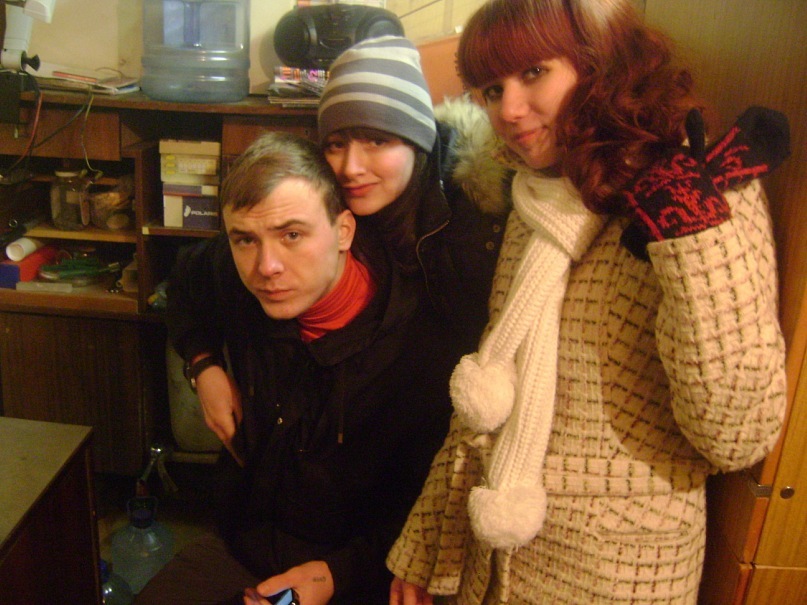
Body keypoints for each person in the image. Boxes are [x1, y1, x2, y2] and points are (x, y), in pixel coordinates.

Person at [386, 1, 791, 603]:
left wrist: (689, 228)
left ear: (601, 62)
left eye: (533, 73)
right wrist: (424, 547)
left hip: (619, 576)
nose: (509, 110)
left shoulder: (706, 185)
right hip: (492, 565)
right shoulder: (535, 194)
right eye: (492, 89)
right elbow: (493, 397)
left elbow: (736, 436)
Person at [140, 131, 457, 604]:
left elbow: (430, 507)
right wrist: (204, 367)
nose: (267, 267)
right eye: (245, 240)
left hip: (357, 573)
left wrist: (337, 575)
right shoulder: (234, 271)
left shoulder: (417, 347)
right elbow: (185, 284)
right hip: (242, 540)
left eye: (292, 235)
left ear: (343, 231)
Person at [171, 34, 512, 462]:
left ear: (416, 141)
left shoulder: (473, 225)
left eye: (377, 140)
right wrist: (203, 366)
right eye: (336, 144)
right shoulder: (328, 211)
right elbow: (192, 276)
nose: (350, 168)